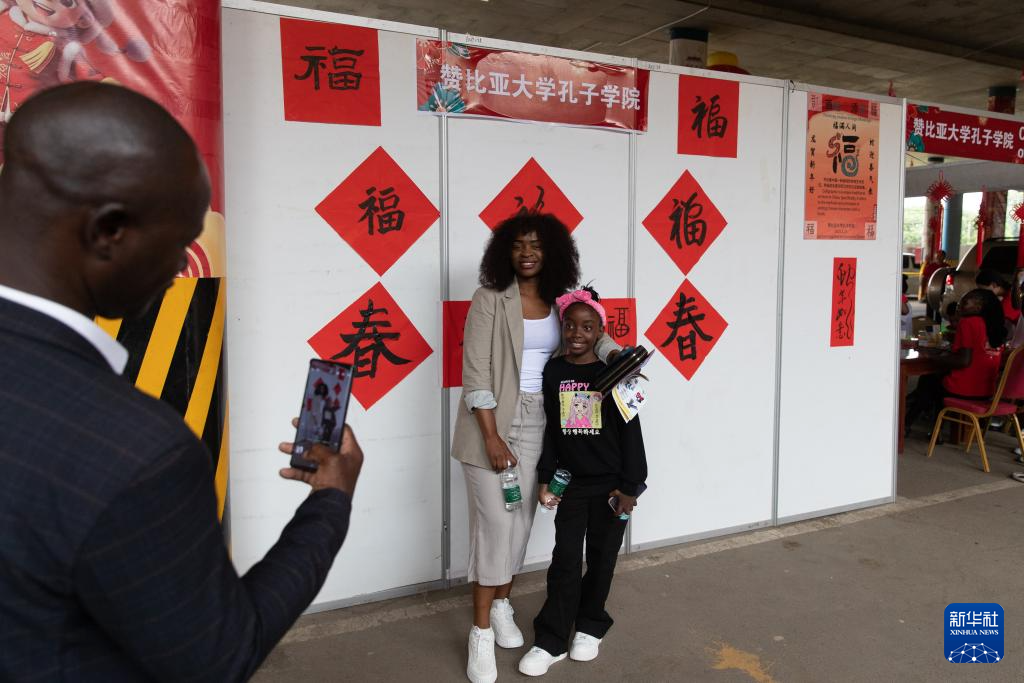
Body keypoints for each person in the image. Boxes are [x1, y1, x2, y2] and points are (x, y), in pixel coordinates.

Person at [0, 82, 363, 681]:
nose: (178, 270)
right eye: (179, 243)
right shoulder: (137, 452)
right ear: (108, 231)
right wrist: (331, 500)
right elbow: (217, 658)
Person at [451, 213, 620, 683]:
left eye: (537, 246)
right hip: (491, 422)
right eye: (519, 245)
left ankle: (502, 604)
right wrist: (491, 437)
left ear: (553, 253)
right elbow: (475, 373)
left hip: (544, 422)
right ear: (504, 251)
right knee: (494, 525)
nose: (527, 253)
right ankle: (480, 633)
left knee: (521, 522)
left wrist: (617, 356)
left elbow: (595, 333)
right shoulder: (489, 298)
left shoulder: (562, 300)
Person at [517, 287, 647, 677]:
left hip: (611, 487)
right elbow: (552, 432)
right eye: (570, 326)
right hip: (571, 485)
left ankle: (590, 625)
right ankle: (551, 639)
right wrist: (545, 478)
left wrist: (631, 487)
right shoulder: (554, 371)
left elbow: (632, 433)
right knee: (566, 560)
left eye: (587, 327)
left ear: (600, 332)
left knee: (603, 558)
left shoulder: (615, 374)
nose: (577, 333)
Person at [904, 288, 1007, 437]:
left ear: (979, 306)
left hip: (964, 390)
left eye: (964, 303)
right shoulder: (994, 326)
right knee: (933, 382)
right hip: (986, 392)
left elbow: (963, 361)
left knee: (928, 381)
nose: (959, 306)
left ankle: (908, 424)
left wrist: (931, 356)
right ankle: (933, 430)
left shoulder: (968, 322)